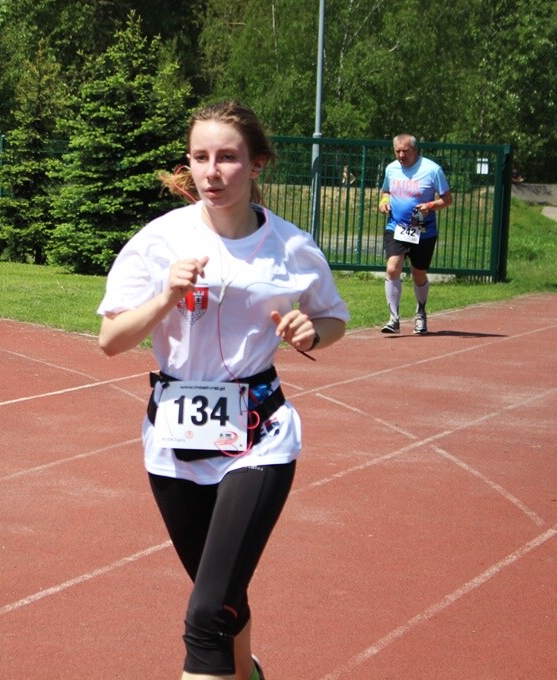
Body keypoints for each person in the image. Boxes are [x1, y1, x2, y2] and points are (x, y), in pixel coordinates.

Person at [97, 100, 349, 680]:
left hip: (260, 437)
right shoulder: (157, 242)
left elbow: (333, 320)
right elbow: (110, 340)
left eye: (229, 157)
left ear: (257, 163)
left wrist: (313, 331)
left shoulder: (292, 246)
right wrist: (164, 296)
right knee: (222, 597)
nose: (213, 171)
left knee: (206, 613)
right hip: (175, 442)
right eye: (201, 157)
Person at [377, 134, 453, 335]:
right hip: (396, 227)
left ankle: (420, 311)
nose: (401, 155)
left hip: (423, 230)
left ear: (415, 150)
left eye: (405, 151)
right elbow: (386, 192)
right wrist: (383, 203)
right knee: (393, 267)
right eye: (397, 151)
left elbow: (447, 199)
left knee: (418, 274)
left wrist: (430, 205)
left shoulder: (432, 169)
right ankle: (393, 318)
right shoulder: (391, 169)